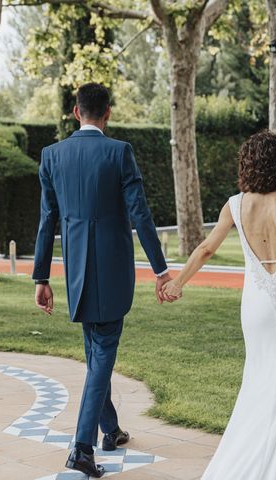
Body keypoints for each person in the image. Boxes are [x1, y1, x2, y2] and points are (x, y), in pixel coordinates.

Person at [162, 130, 276, 480]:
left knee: (258, 377)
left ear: (248, 165)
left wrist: (178, 283)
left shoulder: (235, 204)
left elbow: (206, 248)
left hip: (255, 301)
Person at [31, 82, 176, 478]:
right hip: (112, 274)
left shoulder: (51, 155)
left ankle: (110, 430)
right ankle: (81, 447)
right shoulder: (120, 152)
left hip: (76, 275)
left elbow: (47, 220)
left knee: (97, 354)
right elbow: (141, 216)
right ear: (107, 113)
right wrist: (161, 270)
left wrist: (41, 277)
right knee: (101, 356)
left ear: (76, 113)